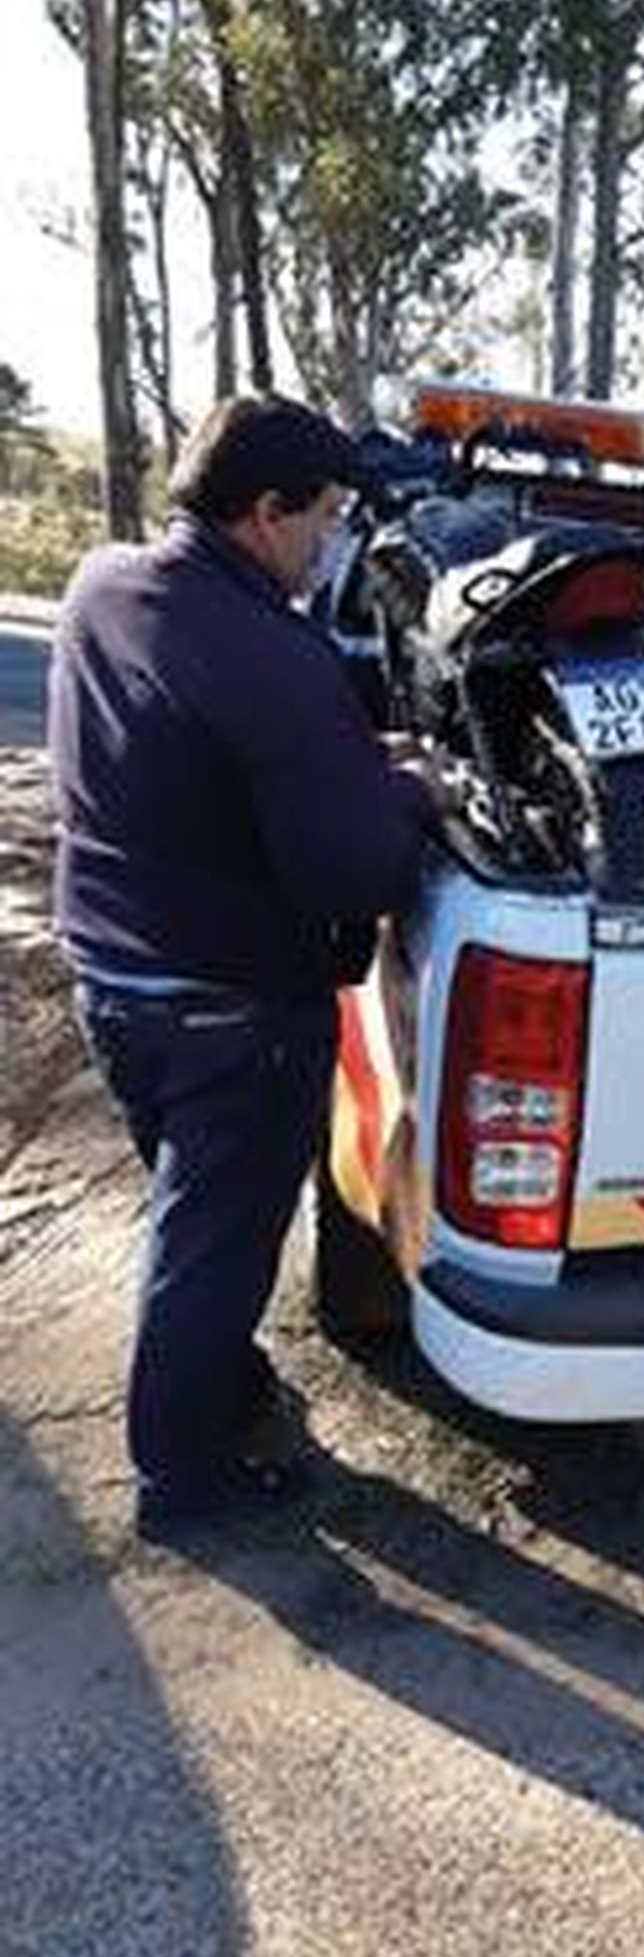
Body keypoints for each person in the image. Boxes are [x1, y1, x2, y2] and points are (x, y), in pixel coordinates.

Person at [49, 395, 437, 1536]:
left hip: (114, 974)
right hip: (232, 1008)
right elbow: (349, 876)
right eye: (319, 516)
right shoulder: (275, 652)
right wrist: (406, 791)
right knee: (212, 1248)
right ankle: (187, 1483)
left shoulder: (102, 586)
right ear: (264, 511)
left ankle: (224, 1391)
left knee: (193, 1216)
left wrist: (347, 758)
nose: (327, 541)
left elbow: (199, 752)